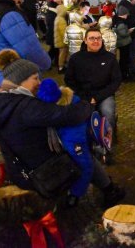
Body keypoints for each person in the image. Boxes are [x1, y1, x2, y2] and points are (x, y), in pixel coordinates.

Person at [0, 49, 125, 207]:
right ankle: (106, 191)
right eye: (35, 78)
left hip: (20, 169)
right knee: (81, 153)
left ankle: (106, 188)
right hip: (41, 172)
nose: (39, 83)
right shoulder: (26, 107)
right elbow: (69, 115)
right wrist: (85, 105)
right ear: (20, 81)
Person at [37, 78, 97, 207]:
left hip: (75, 143)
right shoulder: (71, 103)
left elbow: (85, 165)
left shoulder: (69, 114)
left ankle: (74, 195)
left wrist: (75, 193)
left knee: (86, 166)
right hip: (68, 143)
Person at [65, 27, 122, 131]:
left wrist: (97, 97)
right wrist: (85, 97)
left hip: (104, 95)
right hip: (82, 95)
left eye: (98, 38)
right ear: (85, 40)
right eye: (92, 38)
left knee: (107, 111)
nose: (96, 41)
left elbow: (116, 81)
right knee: (80, 115)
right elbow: (69, 81)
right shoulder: (75, 58)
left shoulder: (110, 58)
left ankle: (108, 138)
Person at [113, 6, 134, 81]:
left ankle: (123, 73)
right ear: (123, 14)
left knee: (123, 59)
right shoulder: (121, 23)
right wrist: (129, 31)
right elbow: (123, 34)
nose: (127, 16)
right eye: (126, 14)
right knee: (124, 59)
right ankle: (124, 75)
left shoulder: (115, 20)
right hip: (124, 43)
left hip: (120, 43)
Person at [54, 4, 68, 74]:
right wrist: (67, 40)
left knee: (62, 54)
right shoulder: (61, 20)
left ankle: (62, 66)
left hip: (59, 40)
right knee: (62, 54)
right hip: (62, 40)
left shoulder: (57, 18)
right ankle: (61, 68)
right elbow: (63, 32)